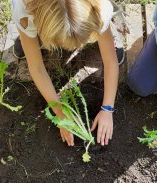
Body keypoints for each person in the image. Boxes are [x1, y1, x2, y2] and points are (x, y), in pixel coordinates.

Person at [11, 0, 125, 147]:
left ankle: (108, 29)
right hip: (34, 15)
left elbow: (110, 61)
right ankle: (28, 35)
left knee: (103, 30)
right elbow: (37, 68)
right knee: (27, 32)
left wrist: (108, 108)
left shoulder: (100, 9)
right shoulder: (23, 9)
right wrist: (60, 114)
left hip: (96, 15)